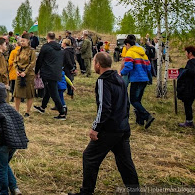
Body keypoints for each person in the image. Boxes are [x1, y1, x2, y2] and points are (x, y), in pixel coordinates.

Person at [68, 52, 140, 195]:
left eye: (94, 61)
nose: (94, 64)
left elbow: (104, 107)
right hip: (122, 128)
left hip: (110, 129)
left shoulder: (103, 81)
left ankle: (86, 192)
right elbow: (126, 104)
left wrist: (95, 128)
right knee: (125, 162)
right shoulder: (119, 79)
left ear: (98, 64)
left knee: (90, 157)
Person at [0, 83, 27, 195]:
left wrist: (3, 140)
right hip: (15, 143)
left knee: (2, 168)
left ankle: (3, 192)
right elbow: (20, 121)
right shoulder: (12, 109)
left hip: (3, 144)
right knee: (5, 164)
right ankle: (14, 188)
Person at [120, 34, 154, 128]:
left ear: (127, 44)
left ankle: (147, 116)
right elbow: (148, 67)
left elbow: (129, 67)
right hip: (144, 79)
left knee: (133, 101)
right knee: (138, 100)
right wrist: (149, 78)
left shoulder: (130, 53)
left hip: (136, 79)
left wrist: (121, 73)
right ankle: (140, 121)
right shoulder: (142, 53)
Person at [34, 32, 67, 120]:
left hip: (48, 73)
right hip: (57, 72)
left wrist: (36, 72)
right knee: (48, 90)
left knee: (54, 93)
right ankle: (42, 107)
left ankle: (62, 113)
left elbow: (39, 60)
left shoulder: (46, 47)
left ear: (47, 37)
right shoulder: (60, 48)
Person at [13, 34, 36, 117]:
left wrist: (25, 72)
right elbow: (15, 62)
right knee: (17, 93)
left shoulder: (32, 51)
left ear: (28, 41)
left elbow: (32, 63)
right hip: (19, 74)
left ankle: (28, 111)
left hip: (28, 74)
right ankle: (16, 110)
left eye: (23, 41)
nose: (22, 42)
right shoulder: (18, 51)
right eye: (21, 41)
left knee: (29, 93)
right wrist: (16, 70)